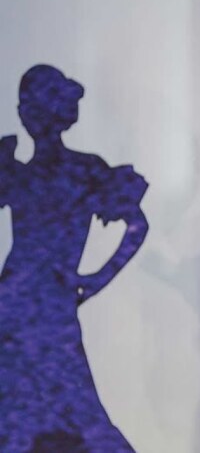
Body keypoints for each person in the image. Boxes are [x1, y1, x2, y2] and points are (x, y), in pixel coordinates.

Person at [0, 65, 148, 452]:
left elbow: (137, 224)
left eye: (31, 106)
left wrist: (96, 279)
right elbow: (136, 225)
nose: (27, 115)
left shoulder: (78, 171)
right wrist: (95, 279)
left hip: (40, 302)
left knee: (54, 406)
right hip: (22, 302)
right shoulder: (25, 171)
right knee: (29, 407)